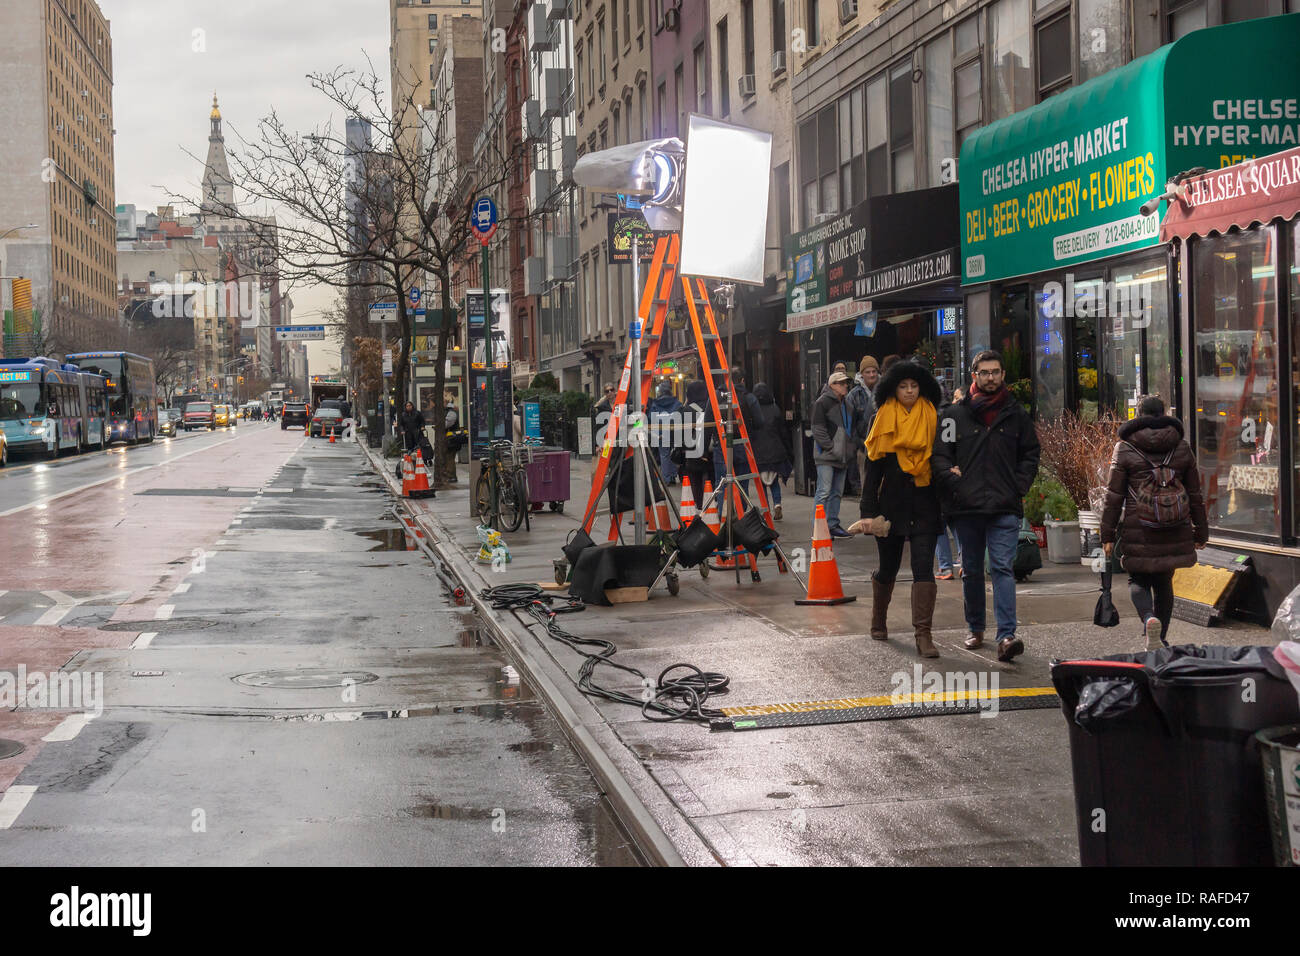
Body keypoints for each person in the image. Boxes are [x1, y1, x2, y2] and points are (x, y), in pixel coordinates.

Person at [932, 350, 1041, 663]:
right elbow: (941, 454)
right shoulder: (954, 415)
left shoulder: (1016, 415)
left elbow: (1030, 454)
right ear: (974, 376)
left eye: (995, 372)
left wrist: (1019, 486)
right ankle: (975, 627)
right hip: (966, 507)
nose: (990, 377)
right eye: (984, 372)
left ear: (1003, 375)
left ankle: (1006, 635)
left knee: (1003, 567)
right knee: (972, 571)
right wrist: (953, 481)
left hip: (1004, 505)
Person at [850, 360, 944, 658]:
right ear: (893, 388)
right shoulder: (883, 417)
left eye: (914, 386)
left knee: (923, 568)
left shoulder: (933, 416)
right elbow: (873, 471)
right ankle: (879, 620)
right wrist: (867, 512)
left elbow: (941, 461)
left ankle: (923, 635)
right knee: (888, 567)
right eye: (903, 386)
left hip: (926, 503)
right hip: (890, 505)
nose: (909, 391)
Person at [1100, 395, 1208, 649]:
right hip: (1175, 525)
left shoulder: (1125, 447)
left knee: (1137, 580)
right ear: (1164, 413)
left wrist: (1107, 534)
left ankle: (1149, 620)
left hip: (1141, 526)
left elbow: (1113, 497)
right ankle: (1161, 637)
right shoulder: (1181, 446)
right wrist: (1201, 532)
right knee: (1164, 582)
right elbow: (1195, 494)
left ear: (1138, 415)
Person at [811, 370, 855, 537]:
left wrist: (850, 446)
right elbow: (817, 428)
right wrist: (830, 447)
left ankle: (831, 525)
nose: (845, 386)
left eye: (846, 383)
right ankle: (820, 527)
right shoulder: (823, 402)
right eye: (841, 383)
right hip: (827, 455)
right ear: (832, 386)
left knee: (835, 491)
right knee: (824, 491)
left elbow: (852, 427)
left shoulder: (847, 404)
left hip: (841, 454)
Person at [750, 382, 793, 520]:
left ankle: (766, 508)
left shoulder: (753, 411)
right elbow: (782, 431)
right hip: (775, 451)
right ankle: (777, 504)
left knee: (761, 484)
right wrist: (788, 448)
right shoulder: (775, 409)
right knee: (774, 481)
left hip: (758, 452)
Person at [934, 383, 964, 580]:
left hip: (940, 477)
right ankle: (964, 562)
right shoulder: (961, 416)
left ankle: (945, 567)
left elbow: (942, 448)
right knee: (957, 523)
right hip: (956, 476)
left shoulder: (939, 416)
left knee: (939, 524)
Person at [676, 380, 716, 504]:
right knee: (712, 477)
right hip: (711, 449)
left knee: (695, 481)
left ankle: (699, 506)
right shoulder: (712, 407)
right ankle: (712, 503)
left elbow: (678, 433)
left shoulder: (686, 410)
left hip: (692, 451)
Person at [848, 356, 880, 496]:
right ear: (862, 374)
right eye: (868, 372)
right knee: (867, 486)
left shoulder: (884, 390)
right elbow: (850, 424)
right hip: (863, 446)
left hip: (882, 445)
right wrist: (859, 444)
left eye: (874, 371)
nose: (872, 375)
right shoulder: (854, 395)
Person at [647, 380, 683, 486]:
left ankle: (666, 478)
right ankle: (672, 475)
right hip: (673, 431)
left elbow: (650, 417)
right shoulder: (676, 402)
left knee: (664, 455)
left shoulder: (655, 403)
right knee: (673, 452)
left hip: (660, 432)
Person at [443, 398, 461, 483]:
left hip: (452, 440)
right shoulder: (450, 413)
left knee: (450, 458)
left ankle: (452, 476)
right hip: (450, 439)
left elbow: (446, 425)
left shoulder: (451, 413)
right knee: (448, 458)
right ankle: (449, 475)